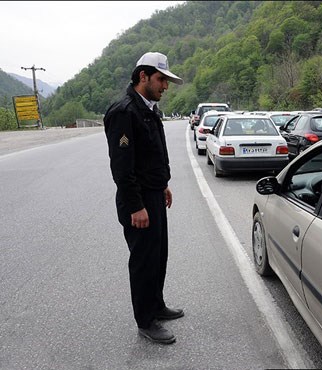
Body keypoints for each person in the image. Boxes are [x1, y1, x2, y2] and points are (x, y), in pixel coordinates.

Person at [104, 52, 184, 345]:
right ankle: (145, 320)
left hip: (153, 195)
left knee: (158, 254)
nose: (165, 86)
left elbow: (151, 155)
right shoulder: (124, 112)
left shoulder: (148, 109)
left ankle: (157, 304)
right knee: (143, 260)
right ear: (143, 77)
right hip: (136, 201)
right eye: (162, 79)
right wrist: (136, 205)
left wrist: (162, 184)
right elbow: (122, 167)